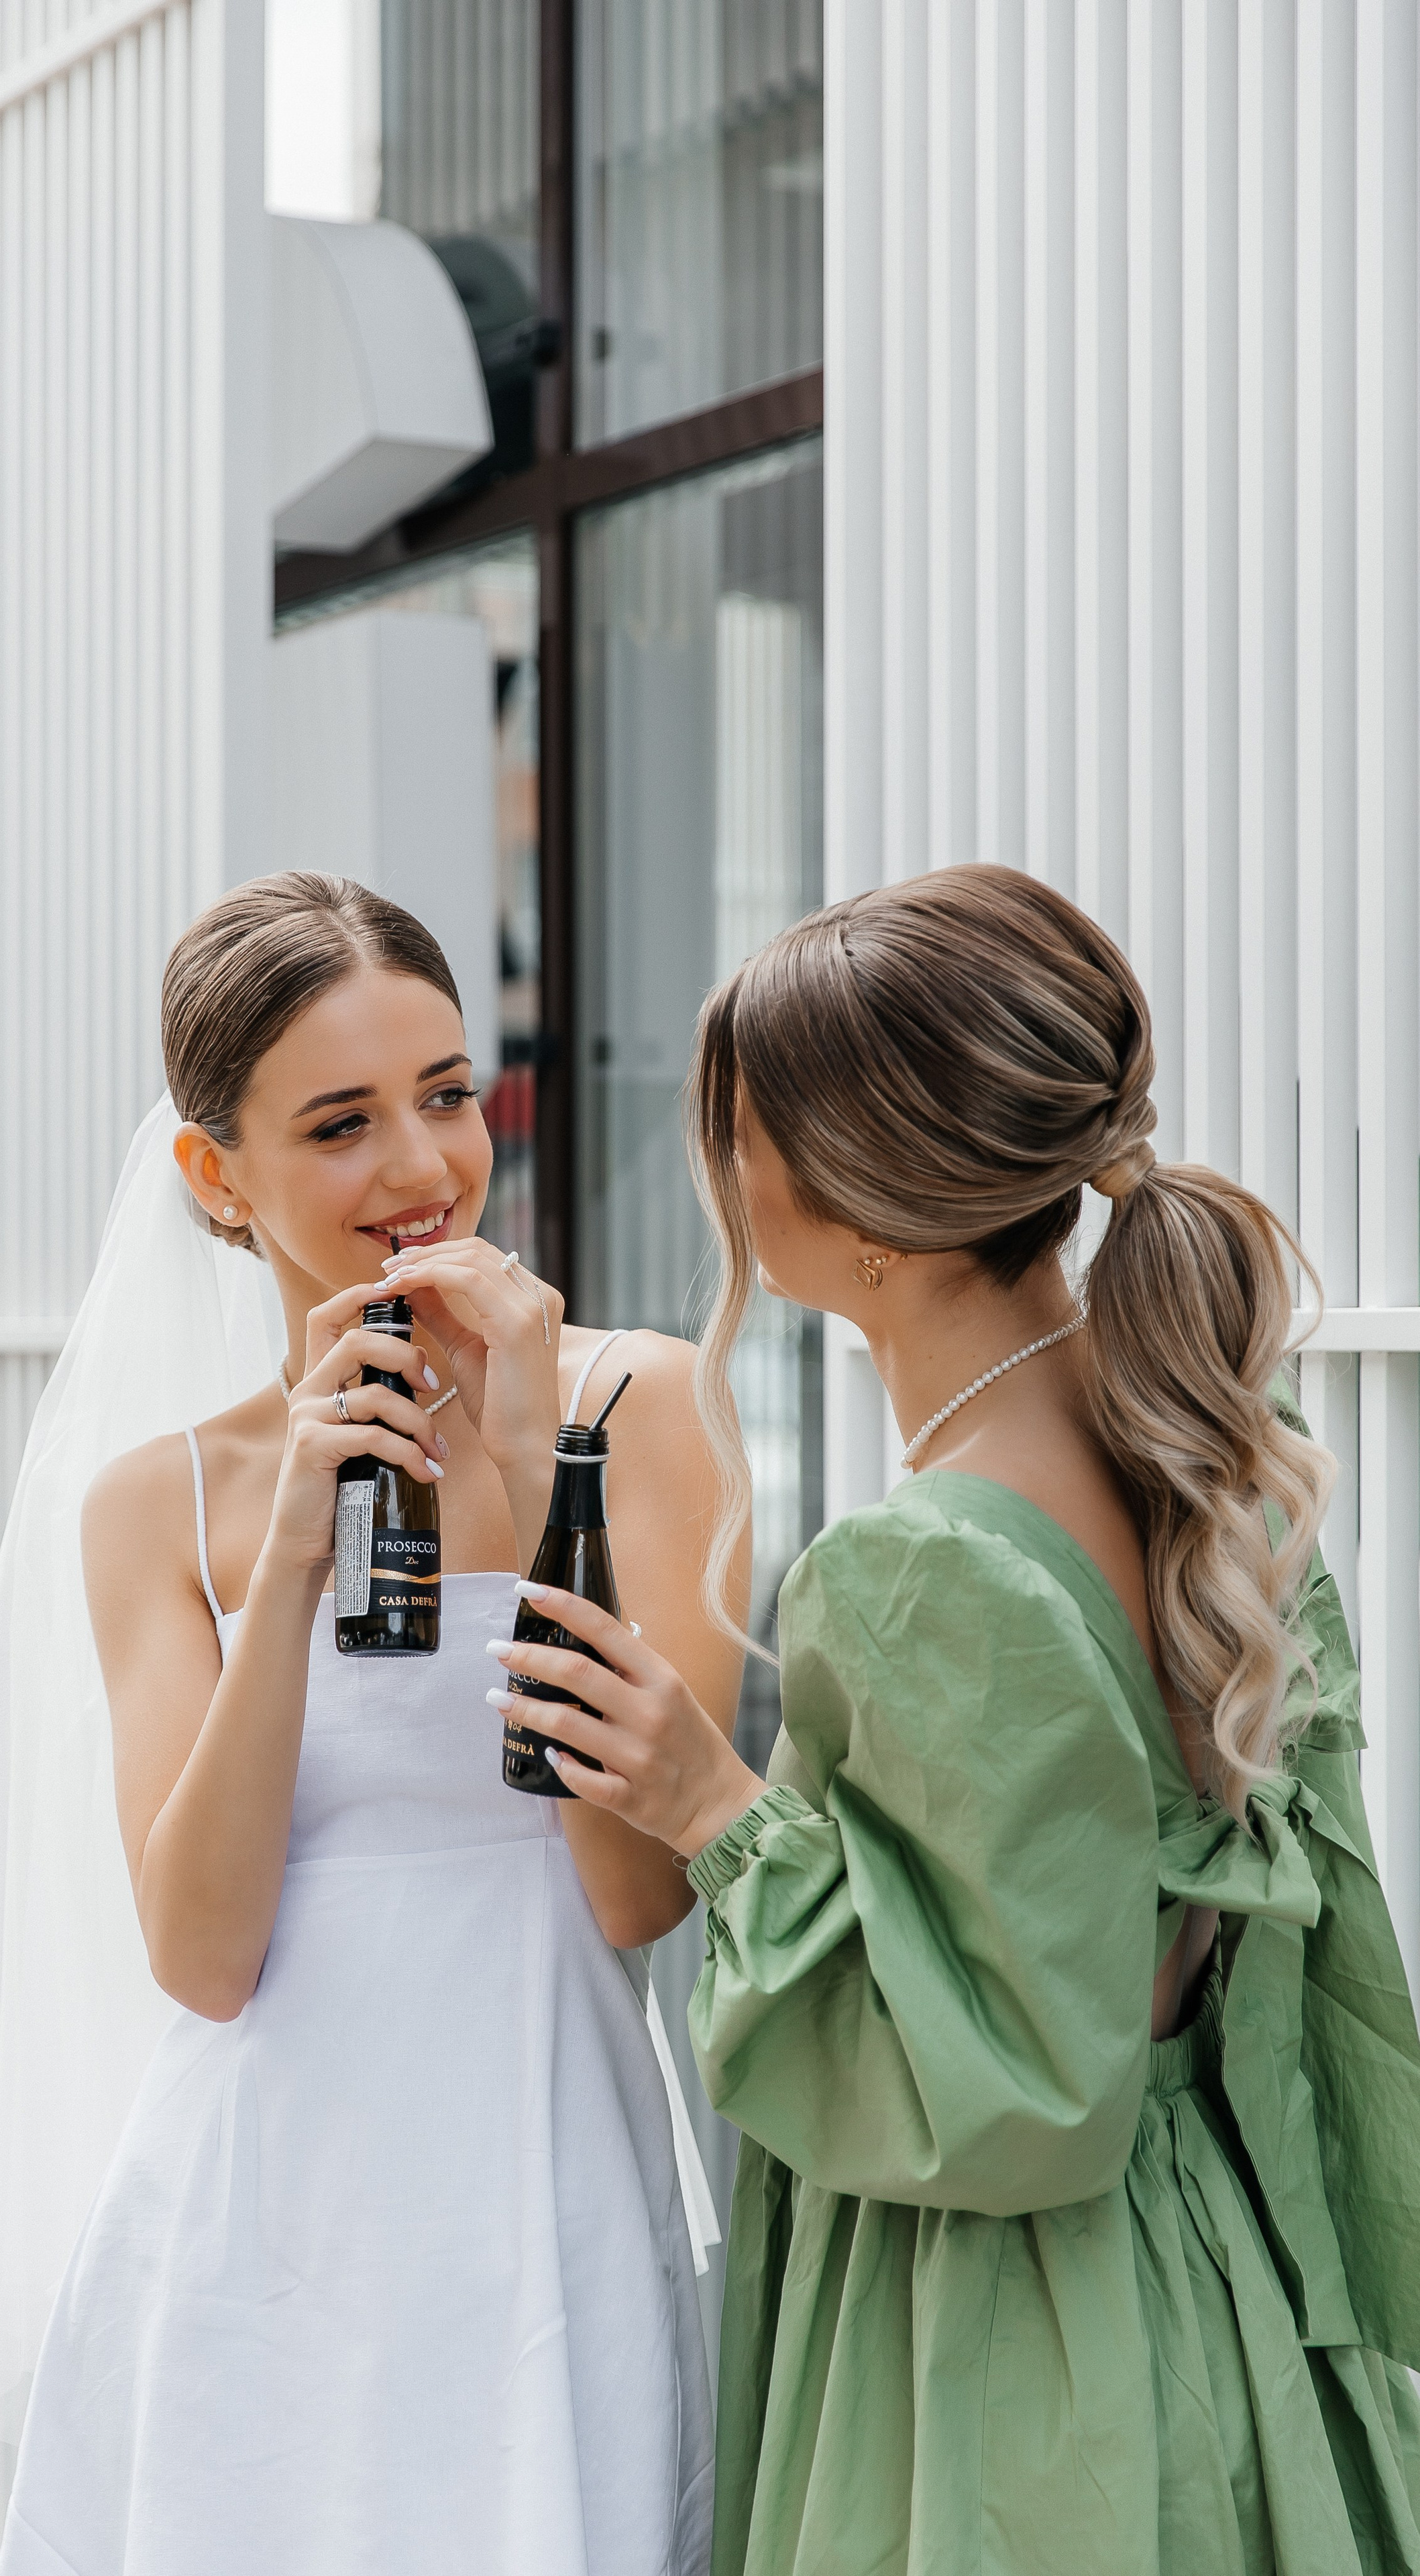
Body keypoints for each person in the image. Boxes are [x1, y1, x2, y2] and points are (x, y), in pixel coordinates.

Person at [492, 866, 1420, 2576]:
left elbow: (1012, 2082)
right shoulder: (1201, 1429)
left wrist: (710, 1806)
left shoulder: (923, 1566)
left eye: (744, 1134)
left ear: (865, 1215)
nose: (723, 1172)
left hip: (1001, 2333)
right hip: (1211, 2265)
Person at [0, 873, 737, 2576]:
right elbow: (205, 1957)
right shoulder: (158, 1503)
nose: (421, 1168)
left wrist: (526, 1466)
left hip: (540, 2203)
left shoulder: (638, 1408)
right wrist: (284, 1560)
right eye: (341, 1125)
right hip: (251, 2247)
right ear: (218, 1179)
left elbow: (638, 1894)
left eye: (445, 1095)